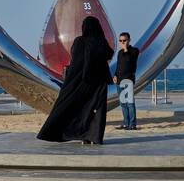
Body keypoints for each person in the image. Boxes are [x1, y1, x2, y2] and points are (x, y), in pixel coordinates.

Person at [37, 15, 114, 145]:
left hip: (81, 82)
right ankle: (94, 136)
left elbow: (75, 61)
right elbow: (109, 54)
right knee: (96, 109)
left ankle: (82, 135)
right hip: (99, 83)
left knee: (80, 108)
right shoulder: (102, 42)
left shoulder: (80, 41)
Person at [113, 32, 139, 130]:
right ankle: (125, 123)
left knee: (130, 103)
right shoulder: (119, 53)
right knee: (123, 103)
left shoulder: (134, 51)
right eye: (120, 41)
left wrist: (125, 49)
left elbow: (130, 60)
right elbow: (118, 66)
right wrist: (115, 75)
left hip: (128, 80)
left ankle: (132, 124)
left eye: (124, 40)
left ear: (129, 40)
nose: (122, 42)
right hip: (119, 81)